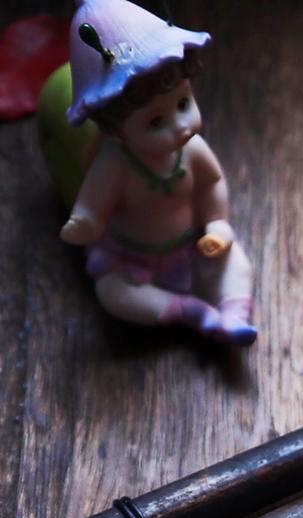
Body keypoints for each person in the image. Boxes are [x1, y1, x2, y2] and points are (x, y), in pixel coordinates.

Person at [61, 0, 255, 345]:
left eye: (183, 104)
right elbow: (92, 206)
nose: (180, 126)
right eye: (155, 122)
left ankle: (234, 313)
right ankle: (190, 312)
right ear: (114, 130)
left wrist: (217, 222)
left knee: (236, 263)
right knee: (114, 294)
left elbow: (213, 182)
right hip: (132, 255)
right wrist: (86, 223)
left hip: (193, 242)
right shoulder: (114, 164)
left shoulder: (192, 150)